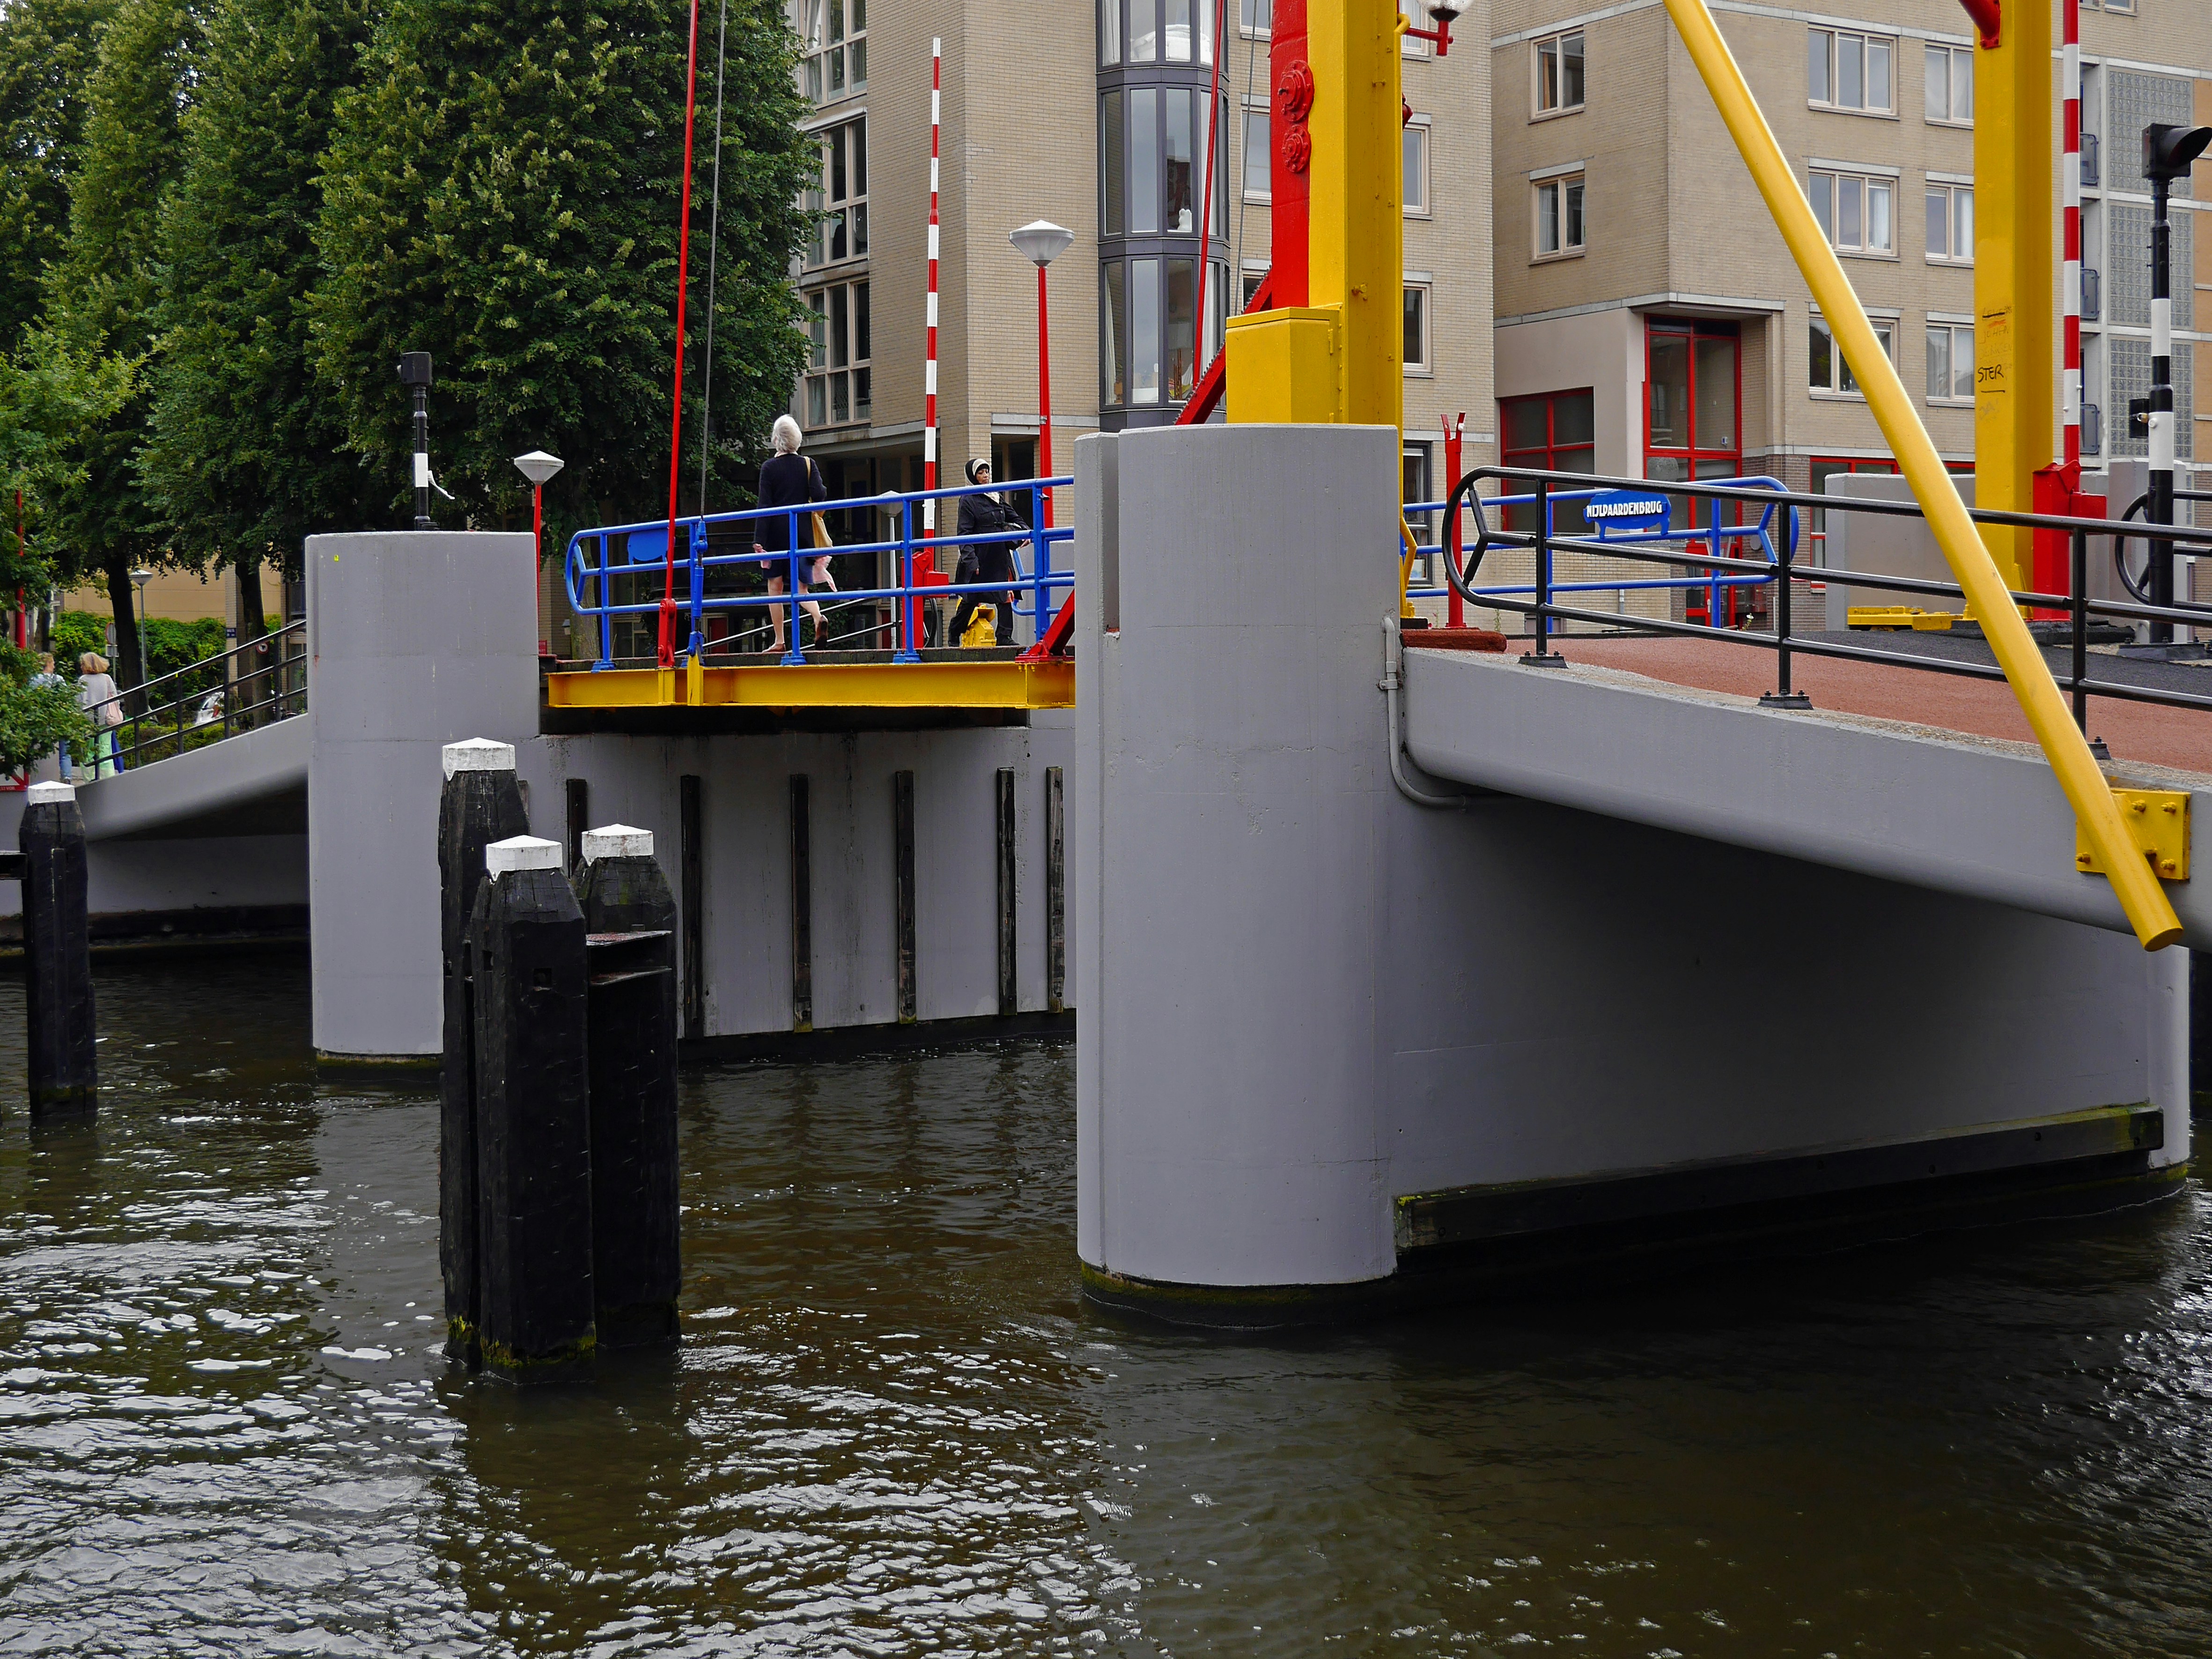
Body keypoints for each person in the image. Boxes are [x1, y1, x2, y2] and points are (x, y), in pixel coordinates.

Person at [755, 414, 829, 653]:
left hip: (776, 536)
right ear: (797, 439)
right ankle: (818, 617)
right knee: (801, 589)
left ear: (776, 440)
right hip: (802, 534)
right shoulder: (808, 464)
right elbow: (819, 496)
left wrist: (759, 540)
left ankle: (779, 640)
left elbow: (764, 505)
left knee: (775, 588)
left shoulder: (769, 468)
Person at [950, 458, 1025, 646]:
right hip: (981, 556)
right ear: (972, 477)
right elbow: (964, 533)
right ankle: (954, 631)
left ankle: (1004, 636)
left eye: (987, 472)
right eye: (980, 473)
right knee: (971, 598)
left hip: (1000, 554)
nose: (985, 477)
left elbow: (1013, 515)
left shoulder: (995, 495)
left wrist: (1026, 531)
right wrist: (971, 561)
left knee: (1006, 593)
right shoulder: (968, 499)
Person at [75, 651, 122, 779]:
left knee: (88, 753)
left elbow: (78, 702)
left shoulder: (83, 680)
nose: (81, 667)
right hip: (106, 721)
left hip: (87, 722)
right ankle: (107, 778)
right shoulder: (107, 679)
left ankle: (90, 780)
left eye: (82, 664)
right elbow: (115, 698)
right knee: (105, 751)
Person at [27, 652, 71, 782]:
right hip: (59, 719)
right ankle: (67, 777)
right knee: (65, 752)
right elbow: (66, 699)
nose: (54, 665)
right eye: (52, 663)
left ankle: (37, 777)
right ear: (48, 664)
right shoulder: (59, 680)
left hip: (39, 719)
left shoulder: (33, 680)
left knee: (37, 749)